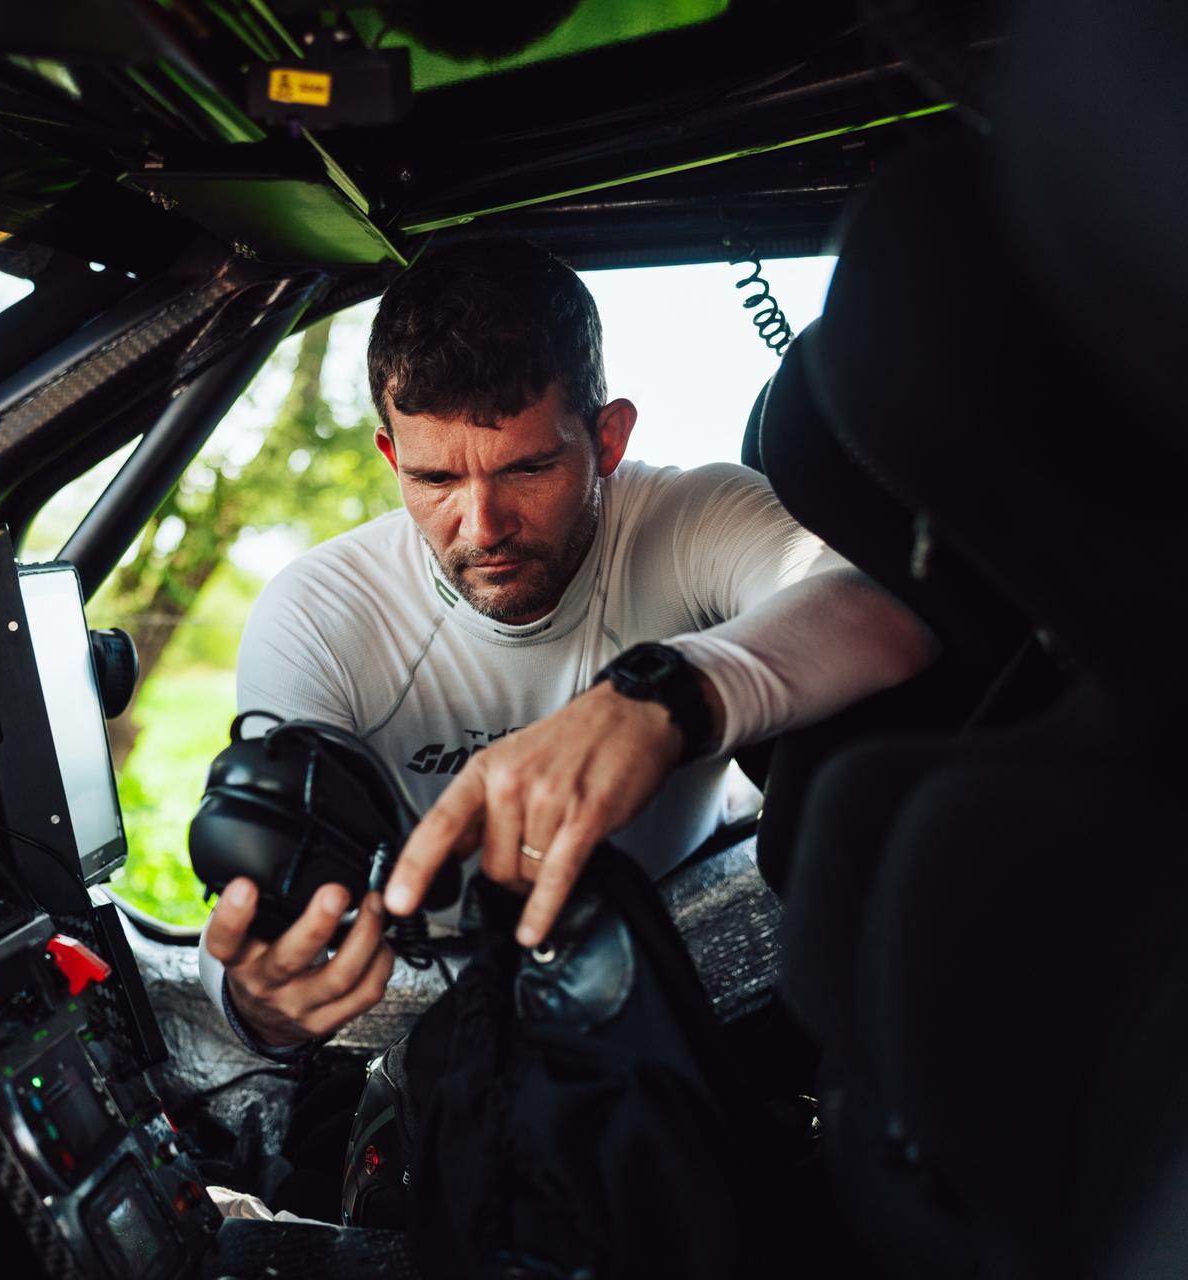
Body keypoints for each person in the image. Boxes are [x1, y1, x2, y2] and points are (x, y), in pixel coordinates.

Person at [199, 235, 937, 1055]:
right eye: (435, 480)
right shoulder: (319, 614)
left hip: (675, 931)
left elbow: (877, 607)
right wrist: (260, 1005)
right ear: (391, 456)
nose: (481, 529)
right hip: (427, 977)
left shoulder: (690, 518)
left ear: (608, 440)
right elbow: (268, 882)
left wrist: (664, 696)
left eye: (528, 469)